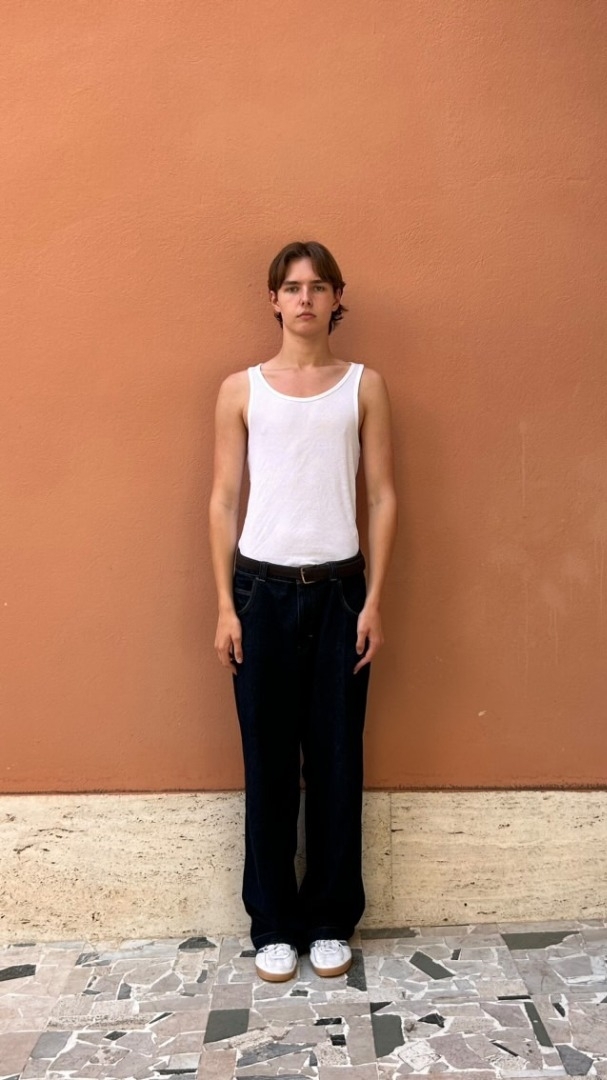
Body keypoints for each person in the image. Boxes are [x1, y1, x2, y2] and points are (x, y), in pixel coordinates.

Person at [209, 240, 396, 982]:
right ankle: (272, 924)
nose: (305, 298)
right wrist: (224, 606)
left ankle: (328, 919)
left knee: (337, 759)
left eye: (319, 286)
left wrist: (374, 599)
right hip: (259, 592)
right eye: (292, 287)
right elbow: (223, 500)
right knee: (267, 763)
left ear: (337, 297)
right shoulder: (241, 390)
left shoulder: (363, 387)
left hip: (340, 592)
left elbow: (382, 496)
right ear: (273, 300)